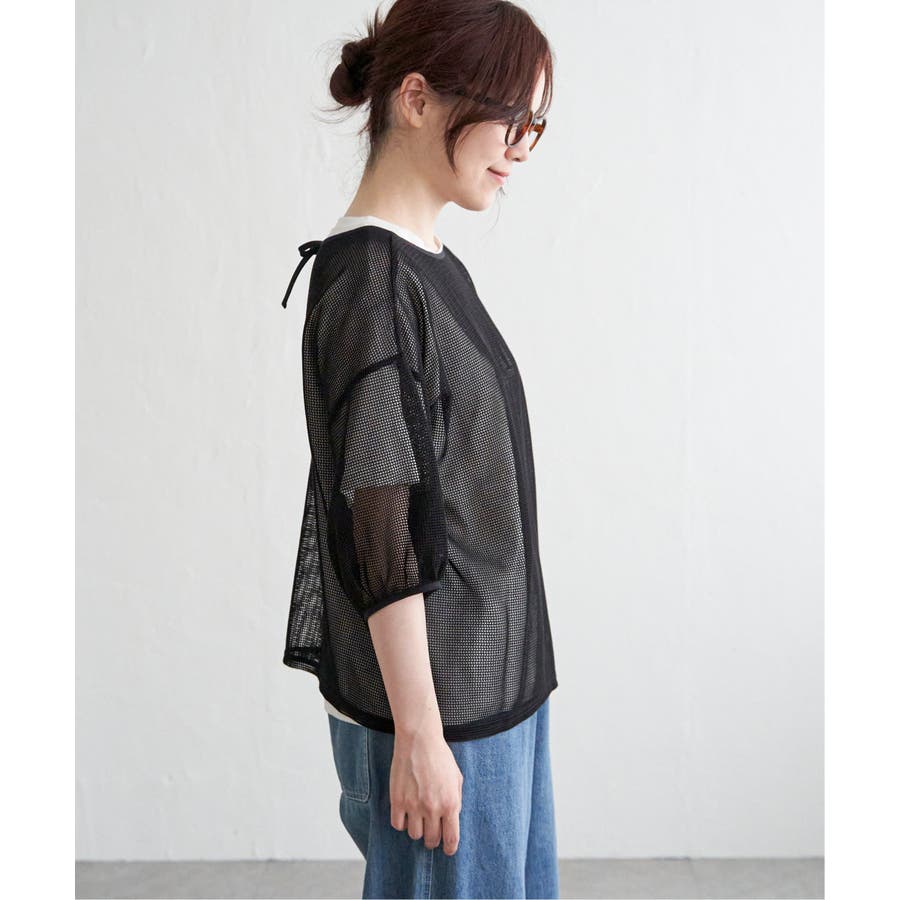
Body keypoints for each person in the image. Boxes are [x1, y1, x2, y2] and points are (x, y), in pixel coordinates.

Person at [279, 1, 558, 896]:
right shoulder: (372, 276)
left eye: (534, 126)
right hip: (440, 715)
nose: (520, 147)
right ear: (415, 98)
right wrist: (420, 736)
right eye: (511, 117)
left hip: (490, 695)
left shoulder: (426, 262)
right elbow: (381, 524)